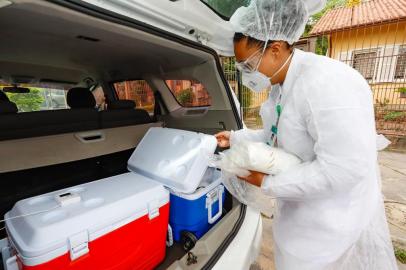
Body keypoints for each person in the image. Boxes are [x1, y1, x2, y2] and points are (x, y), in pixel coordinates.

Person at [215, 0, 398, 269]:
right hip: (300, 215)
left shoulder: (327, 83)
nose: (245, 74)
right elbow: (273, 136)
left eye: (247, 65)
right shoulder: (282, 86)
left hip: (332, 227)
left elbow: (342, 170)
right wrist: (234, 138)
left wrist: (265, 183)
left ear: (275, 49)